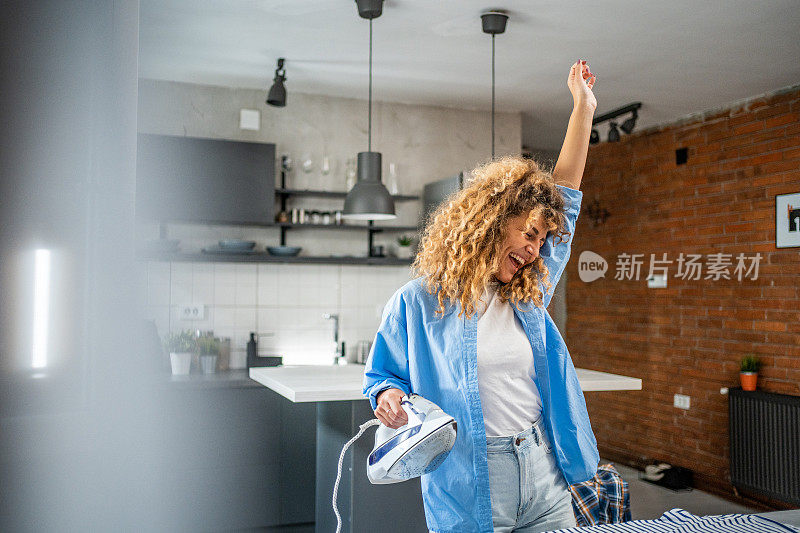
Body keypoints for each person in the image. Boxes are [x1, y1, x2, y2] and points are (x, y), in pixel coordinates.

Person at [363, 60, 599, 533]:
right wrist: (388, 395)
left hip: (542, 470)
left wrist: (583, 108)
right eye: (529, 234)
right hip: (468, 480)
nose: (535, 251)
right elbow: (382, 374)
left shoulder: (530, 291)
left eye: (541, 240)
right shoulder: (417, 302)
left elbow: (567, 192)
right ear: (492, 221)